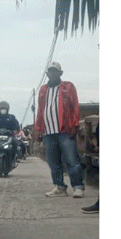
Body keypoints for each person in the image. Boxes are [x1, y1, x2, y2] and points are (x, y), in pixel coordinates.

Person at [35, 62, 85, 198]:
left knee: (72, 160)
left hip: (66, 130)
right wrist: (38, 129)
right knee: (53, 161)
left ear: (60, 73)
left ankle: (78, 187)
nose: (52, 74)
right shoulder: (43, 90)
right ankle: (59, 187)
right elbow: (40, 110)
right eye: (50, 71)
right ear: (47, 74)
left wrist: (75, 125)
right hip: (49, 132)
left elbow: (75, 105)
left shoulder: (68, 87)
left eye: (55, 71)